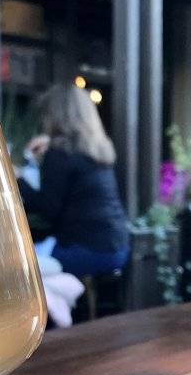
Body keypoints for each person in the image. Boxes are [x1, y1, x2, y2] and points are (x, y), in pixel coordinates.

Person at [17, 84, 130, 278]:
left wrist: (16, 179)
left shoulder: (60, 153)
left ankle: (59, 308)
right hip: (118, 249)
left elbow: (47, 209)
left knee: (17, 267)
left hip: (85, 251)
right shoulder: (99, 149)